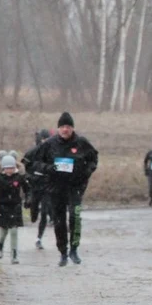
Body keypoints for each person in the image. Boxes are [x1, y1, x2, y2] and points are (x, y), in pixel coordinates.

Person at [25, 112, 98, 267]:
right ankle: (63, 252)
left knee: (75, 217)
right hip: (55, 187)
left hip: (75, 187)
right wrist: (48, 168)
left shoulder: (81, 142)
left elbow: (93, 158)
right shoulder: (49, 144)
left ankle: (74, 249)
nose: (65, 130)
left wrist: (87, 172)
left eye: (68, 127)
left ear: (72, 128)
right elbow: (32, 162)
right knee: (59, 221)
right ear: (58, 129)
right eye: (63, 127)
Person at [24, 129, 53, 249]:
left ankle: (39, 238)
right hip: (35, 185)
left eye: (48, 140)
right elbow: (25, 166)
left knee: (45, 212)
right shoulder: (32, 152)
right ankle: (33, 212)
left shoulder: (53, 153)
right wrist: (30, 176)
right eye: (44, 140)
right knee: (34, 214)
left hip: (47, 185)